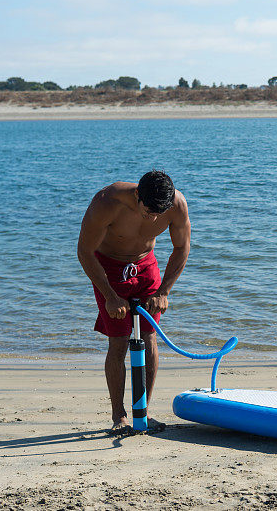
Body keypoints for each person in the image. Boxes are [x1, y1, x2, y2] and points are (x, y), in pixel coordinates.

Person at [77, 170, 190, 433]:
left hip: (145, 264)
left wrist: (164, 291)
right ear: (137, 194)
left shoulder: (176, 205)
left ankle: (143, 413)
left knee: (149, 336)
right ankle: (120, 417)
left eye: (157, 214)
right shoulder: (107, 201)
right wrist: (110, 296)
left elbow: (182, 247)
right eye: (147, 211)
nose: (152, 218)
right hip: (109, 267)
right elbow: (84, 251)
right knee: (118, 342)